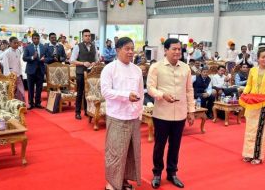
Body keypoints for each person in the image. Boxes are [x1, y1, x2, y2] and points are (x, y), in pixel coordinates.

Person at [147, 38, 195, 189]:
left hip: (180, 113)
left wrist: (191, 110)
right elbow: (150, 88)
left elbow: (189, 90)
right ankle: (157, 173)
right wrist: (162, 95)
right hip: (161, 114)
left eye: (179, 49)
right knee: (159, 145)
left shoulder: (186, 68)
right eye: (174, 49)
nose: (177, 52)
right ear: (165, 50)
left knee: (175, 145)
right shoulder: (156, 67)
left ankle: (172, 173)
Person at [100, 37, 144, 190]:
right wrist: (126, 95)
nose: (131, 52)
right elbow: (105, 92)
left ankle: (124, 180)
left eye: (132, 48)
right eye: (127, 48)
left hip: (133, 117)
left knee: (130, 153)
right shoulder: (109, 68)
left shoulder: (137, 69)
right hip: (117, 116)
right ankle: (112, 184)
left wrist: (140, 112)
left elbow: (140, 93)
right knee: (115, 152)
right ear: (118, 50)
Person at [240, 47, 265, 165]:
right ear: (258, 58)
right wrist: (244, 93)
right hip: (252, 102)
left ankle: (257, 156)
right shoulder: (252, 70)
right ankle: (248, 153)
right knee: (250, 129)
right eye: (263, 57)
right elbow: (248, 85)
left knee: (260, 130)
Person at [70, 29, 98, 120]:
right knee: (80, 92)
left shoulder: (94, 46)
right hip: (81, 73)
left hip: (91, 73)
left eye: (89, 35)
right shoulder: (78, 46)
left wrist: (95, 63)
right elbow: (72, 60)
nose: (88, 37)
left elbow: (97, 59)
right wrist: (83, 63)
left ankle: (87, 111)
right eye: (86, 35)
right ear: (82, 37)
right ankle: (77, 112)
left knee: (89, 93)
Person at [23, 33, 47, 110]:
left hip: (40, 70)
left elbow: (46, 57)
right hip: (31, 70)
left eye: (37, 38)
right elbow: (24, 58)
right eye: (35, 38)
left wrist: (44, 59)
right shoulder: (28, 47)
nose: (36, 40)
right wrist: (33, 57)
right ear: (32, 39)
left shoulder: (43, 47)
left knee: (39, 88)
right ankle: (31, 103)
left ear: (39, 39)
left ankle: (38, 103)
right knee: (30, 88)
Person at [1, 37, 25, 102]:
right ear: (10, 43)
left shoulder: (18, 51)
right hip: (10, 76)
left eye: (17, 43)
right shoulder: (6, 53)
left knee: (21, 91)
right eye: (15, 43)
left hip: (18, 75)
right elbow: (5, 66)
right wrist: (9, 76)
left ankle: (21, 104)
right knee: (11, 91)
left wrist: (20, 73)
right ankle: (12, 105)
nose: (17, 44)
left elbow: (19, 63)